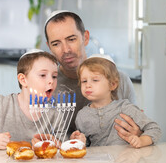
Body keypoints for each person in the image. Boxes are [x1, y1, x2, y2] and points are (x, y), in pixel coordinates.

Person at [44, 10, 141, 139]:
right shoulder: (46, 87)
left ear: (86, 38)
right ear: (49, 47)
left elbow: (138, 127)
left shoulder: (119, 80)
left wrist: (139, 132)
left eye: (71, 39)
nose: (66, 50)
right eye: (56, 44)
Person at [0, 50, 63, 149]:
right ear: (23, 80)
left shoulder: (55, 113)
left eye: (54, 76)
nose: (51, 81)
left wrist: (55, 142)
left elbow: (64, 142)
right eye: (43, 75)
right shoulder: (3, 105)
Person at [73, 54, 161, 148]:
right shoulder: (82, 116)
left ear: (112, 85)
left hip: (127, 161)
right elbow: (86, 147)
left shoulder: (125, 108)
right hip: (98, 162)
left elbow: (154, 129)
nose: (88, 85)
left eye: (95, 80)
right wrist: (79, 141)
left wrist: (141, 140)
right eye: (84, 81)